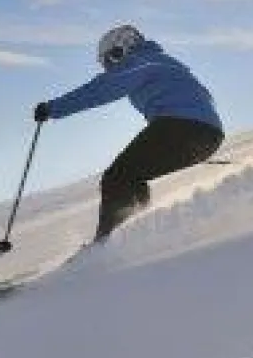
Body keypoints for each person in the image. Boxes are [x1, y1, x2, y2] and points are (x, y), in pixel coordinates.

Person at [33, 24, 225, 243]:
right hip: (205, 134)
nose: (109, 67)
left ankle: (113, 241)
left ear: (121, 49)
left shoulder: (142, 62)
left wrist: (53, 108)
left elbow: (101, 89)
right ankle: (137, 234)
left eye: (109, 60)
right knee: (131, 175)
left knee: (119, 177)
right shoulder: (161, 62)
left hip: (183, 127)